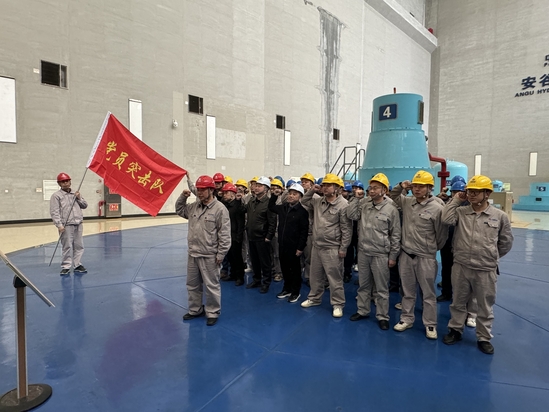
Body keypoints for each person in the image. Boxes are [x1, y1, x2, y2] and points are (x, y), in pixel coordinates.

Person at [442, 175, 514, 354]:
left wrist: (490, 256)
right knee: (458, 302)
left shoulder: (499, 216)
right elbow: (446, 219)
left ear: (487, 193)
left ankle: (483, 337)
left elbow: (505, 242)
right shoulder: (461, 212)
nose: (471, 194)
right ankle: (455, 330)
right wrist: (456, 200)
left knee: (485, 305)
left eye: (476, 191)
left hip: (485, 269)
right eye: (469, 191)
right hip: (461, 266)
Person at [389, 170, 448, 339]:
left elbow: (441, 236)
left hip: (426, 257)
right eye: (415, 186)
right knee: (407, 291)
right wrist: (402, 185)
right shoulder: (407, 203)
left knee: (428, 293)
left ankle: (430, 324)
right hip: (406, 255)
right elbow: (393, 196)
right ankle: (406, 318)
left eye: (421, 186)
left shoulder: (437, 208)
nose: (417, 189)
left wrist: (429, 249)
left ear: (430, 188)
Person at [347, 173, 401, 330]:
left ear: (384, 190)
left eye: (376, 188)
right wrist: (355, 199)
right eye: (370, 187)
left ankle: (383, 316)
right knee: (363, 285)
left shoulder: (391, 209)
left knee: (381, 289)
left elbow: (396, 235)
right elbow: (351, 215)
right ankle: (362, 310)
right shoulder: (364, 205)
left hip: (380, 254)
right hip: (364, 252)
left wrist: (393, 256)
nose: (371, 190)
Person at [176, 175, 231, 326]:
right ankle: (195, 309)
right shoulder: (194, 206)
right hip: (193, 253)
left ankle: (212, 311)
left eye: (203, 190)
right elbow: (180, 210)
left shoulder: (220, 209)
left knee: (211, 285)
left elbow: (225, 234)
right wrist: (182, 197)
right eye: (198, 189)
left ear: (211, 190)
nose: (199, 192)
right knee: (192, 284)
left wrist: (221, 254)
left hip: (209, 255)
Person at [300, 174, 352, 318]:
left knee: (334, 278)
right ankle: (314, 298)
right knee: (315, 275)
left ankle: (338, 304)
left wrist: (343, 248)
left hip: (332, 247)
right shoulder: (318, 201)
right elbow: (304, 201)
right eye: (324, 185)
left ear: (337, 188)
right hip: (317, 245)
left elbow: (347, 229)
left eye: (328, 185)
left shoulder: (343, 205)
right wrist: (312, 190)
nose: (325, 188)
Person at [268, 183, 309, 303]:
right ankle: (287, 289)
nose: (291, 196)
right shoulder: (283, 208)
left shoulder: (302, 212)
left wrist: (300, 247)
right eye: (290, 193)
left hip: (294, 246)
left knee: (295, 270)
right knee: (285, 268)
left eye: (294, 194)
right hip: (282, 244)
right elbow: (271, 207)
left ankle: (295, 292)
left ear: (300, 197)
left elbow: (304, 231)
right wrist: (274, 195)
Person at [50, 172, 88, 276]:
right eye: (63, 182)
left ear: (70, 182)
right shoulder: (56, 196)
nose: (65, 183)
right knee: (67, 246)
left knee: (79, 245)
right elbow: (54, 211)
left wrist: (79, 198)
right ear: (59, 183)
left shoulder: (75, 193)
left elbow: (84, 205)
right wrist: (59, 225)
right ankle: (66, 266)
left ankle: (77, 264)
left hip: (78, 223)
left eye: (67, 181)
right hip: (66, 225)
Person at [245, 176, 277, 293]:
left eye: (259, 186)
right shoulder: (252, 201)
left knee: (265, 262)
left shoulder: (269, 203)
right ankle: (257, 280)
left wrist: (269, 236)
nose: (256, 188)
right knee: (255, 261)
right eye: (256, 186)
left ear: (266, 189)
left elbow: (272, 222)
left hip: (262, 237)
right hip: (251, 236)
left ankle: (266, 282)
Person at [220, 183, 246, 286]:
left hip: (235, 236)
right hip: (227, 235)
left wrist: (239, 236)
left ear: (232, 194)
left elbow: (240, 222)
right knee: (230, 256)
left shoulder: (237, 205)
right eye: (224, 193)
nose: (224, 195)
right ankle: (233, 274)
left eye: (226, 193)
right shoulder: (224, 205)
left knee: (237, 257)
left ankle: (240, 277)